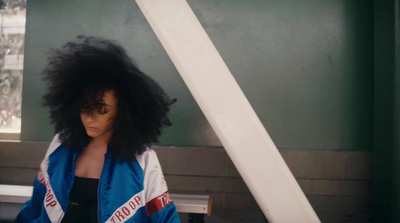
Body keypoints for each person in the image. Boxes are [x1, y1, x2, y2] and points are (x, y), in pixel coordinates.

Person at [15, 36, 180, 223]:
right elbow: (38, 202)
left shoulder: (142, 157)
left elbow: (163, 215)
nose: (89, 118)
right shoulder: (60, 145)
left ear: (123, 111)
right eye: (85, 108)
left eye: (102, 110)